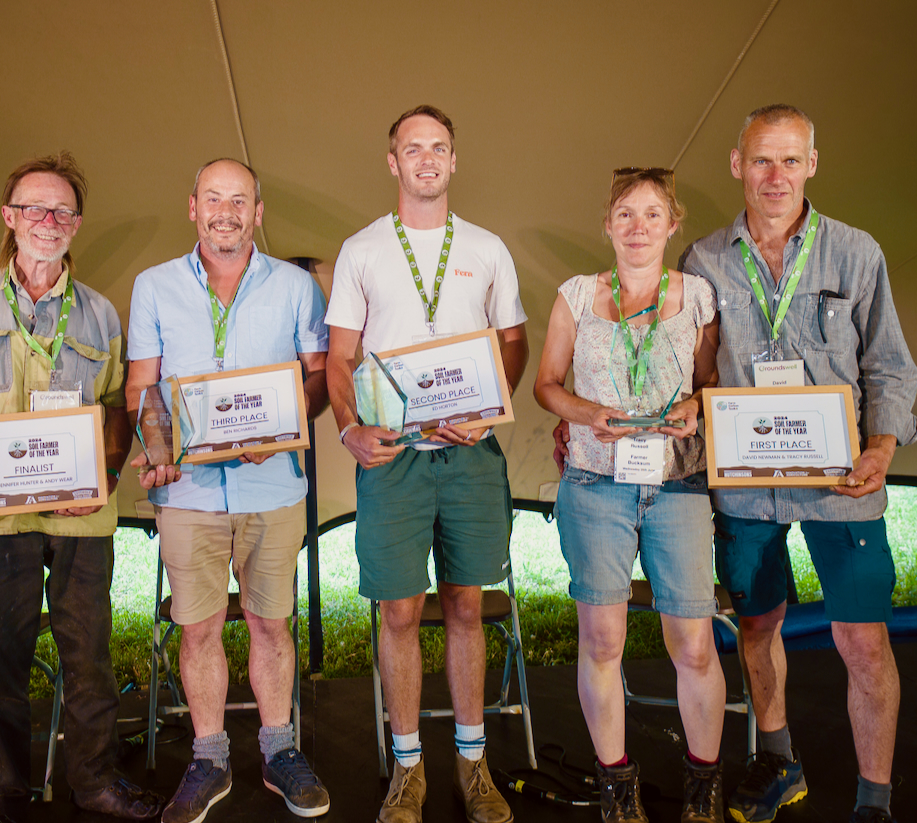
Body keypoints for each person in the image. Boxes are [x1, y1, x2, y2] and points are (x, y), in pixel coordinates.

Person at [681, 105, 917, 823]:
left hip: (840, 481)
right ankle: (780, 762)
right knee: (758, 627)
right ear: (736, 164)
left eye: (790, 160)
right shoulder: (704, 259)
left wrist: (881, 447)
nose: (776, 176)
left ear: (813, 164)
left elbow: (889, 365)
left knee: (863, 640)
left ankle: (873, 799)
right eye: (762, 160)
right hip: (748, 489)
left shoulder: (856, 252)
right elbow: (694, 373)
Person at [0, 152, 162, 823]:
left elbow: (119, 410)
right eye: (35, 207)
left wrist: (107, 479)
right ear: (10, 217)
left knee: (89, 660)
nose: (48, 221)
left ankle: (95, 783)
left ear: (77, 224)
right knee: (2, 667)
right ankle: (4, 795)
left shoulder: (102, 316)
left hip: (81, 520)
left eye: (61, 210)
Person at [325, 105, 529, 823]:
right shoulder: (362, 250)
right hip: (394, 458)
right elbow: (340, 358)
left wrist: (492, 401)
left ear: (454, 158)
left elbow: (513, 340)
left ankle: (473, 765)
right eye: (412, 149)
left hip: (470, 454)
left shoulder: (488, 247)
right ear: (393, 162)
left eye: (438, 147)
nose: (426, 159)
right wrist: (349, 427)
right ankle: (408, 766)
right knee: (401, 610)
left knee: (468, 604)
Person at [126, 158, 331, 823]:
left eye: (239, 200)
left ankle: (279, 749)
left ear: (258, 212)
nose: (226, 211)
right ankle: (210, 756)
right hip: (186, 495)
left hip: (273, 486)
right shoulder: (153, 286)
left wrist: (285, 426)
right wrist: (158, 449)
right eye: (213, 198)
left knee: (272, 623)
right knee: (200, 627)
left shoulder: (298, 286)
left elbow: (321, 374)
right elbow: (143, 387)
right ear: (192, 207)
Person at [535, 168, 725, 823]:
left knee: (694, 643)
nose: (638, 227)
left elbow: (713, 384)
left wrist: (697, 409)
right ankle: (617, 784)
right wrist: (586, 413)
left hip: (677, 486)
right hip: (595, 483)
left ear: (673, 224)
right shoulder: (577, 295)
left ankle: (703, 782)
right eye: (625, 214)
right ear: (607, 224)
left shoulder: (699, 294)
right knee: (602, 640)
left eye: (651, 214)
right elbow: (546, 384)